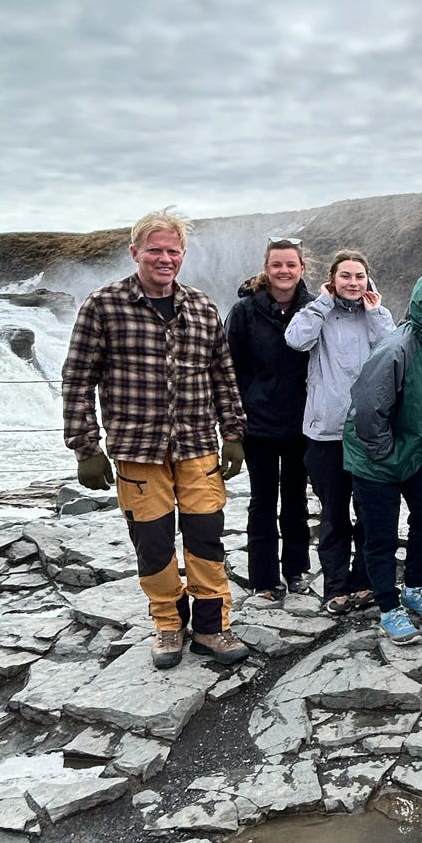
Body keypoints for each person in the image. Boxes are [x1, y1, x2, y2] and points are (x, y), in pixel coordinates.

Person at [62, 208, 247, 670]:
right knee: (153, 542)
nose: (165, 259)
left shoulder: (202, 307)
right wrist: (86, 448)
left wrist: (234, 434)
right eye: (155, 250)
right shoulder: (103, 305)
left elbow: (223, 375)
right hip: (136, 449)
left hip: (198, 445)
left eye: (173, 251)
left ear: (182, 255)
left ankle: (211, 626)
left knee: (207, 538)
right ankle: (168, 624)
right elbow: (77, 378)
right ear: (135, 252)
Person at [342, 273, 422, 645]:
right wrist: (386, 456)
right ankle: (388, 606)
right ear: (418, 312)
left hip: (416, 452)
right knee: (381, 537)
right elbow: (367, 409)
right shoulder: (397, 348)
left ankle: (414, 587)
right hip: (376, 457)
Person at [285, 248, 395, 615]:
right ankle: (335, 587)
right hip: (326, 432)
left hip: (368, 431)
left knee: (368, 512)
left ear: (368, 280)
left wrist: (376, 312)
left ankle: (364, 582)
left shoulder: (377, 314)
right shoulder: (317, 312)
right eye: (345, 276)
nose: (353, 283)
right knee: (333, 514)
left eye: (359, 276)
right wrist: (320, 304)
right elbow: (296, 340)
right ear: (332, 280)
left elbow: (393, 350)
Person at [225, 237, 314, 600]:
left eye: (291, 265)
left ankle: (296, 571)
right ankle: (263, 579)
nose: (284, 271)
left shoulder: (314, 308)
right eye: (277, 265)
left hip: (301, 423)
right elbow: (229, 367)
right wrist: (232, 421)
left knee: (296, 499)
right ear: (266, 269)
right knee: (262, 500)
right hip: (257, 424)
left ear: (302, 269)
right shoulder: (245, 311)